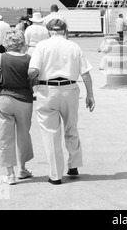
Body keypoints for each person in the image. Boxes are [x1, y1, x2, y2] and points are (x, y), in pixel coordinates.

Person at [28, 18, 96, 185]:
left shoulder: (42, 46)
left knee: (51, 133)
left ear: (49, 30)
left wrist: (31, 80)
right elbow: (85, 73)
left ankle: (56, 175)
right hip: (70, 89)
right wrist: (90, 95)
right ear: (65, 30)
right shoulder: (74, 46)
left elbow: (33, 70)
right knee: (71, 127)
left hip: (47, 90)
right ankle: (74, 165)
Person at [0, 29, 35, 185]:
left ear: (6, 42)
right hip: (24, 101)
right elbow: (34, 80)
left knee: (5, 138)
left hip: (3, 100)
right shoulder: (29, 59)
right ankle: (23, 169)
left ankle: (10, 174)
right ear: (21, 42)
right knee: (23, 135)